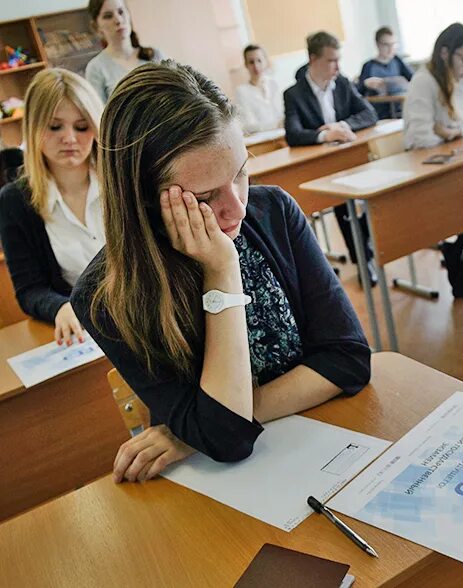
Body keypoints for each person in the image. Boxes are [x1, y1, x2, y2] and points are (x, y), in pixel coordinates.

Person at [71, 60, 371, 482]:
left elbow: (348, 360)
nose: (237, 208)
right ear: (142, 201)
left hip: (326, 445)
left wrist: (195, 429)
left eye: (241, 173)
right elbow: (229, 440)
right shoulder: (105, 295)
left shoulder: (274, 211)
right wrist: (223, 272)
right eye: (205, 196)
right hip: (221, 487)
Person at [0, 69, 104, 344]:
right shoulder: (15, 201)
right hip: (87, 336)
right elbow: (29, 290)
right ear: (33, 128)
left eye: (82, 126)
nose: (69, 138)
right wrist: (59, 306)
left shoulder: (121, 181)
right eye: (55, 126)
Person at [403, 23, 463, 298]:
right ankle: (462, 271)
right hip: (427, 170)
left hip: (457, 161)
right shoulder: (424, 81)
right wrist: (453, 131)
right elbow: (420, 138)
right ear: (445, 53)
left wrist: (451, 131)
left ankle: (460, 260)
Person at [284, 31, 379, 286]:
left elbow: (369, 114)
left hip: (352, 161)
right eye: (331, 61)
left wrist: (342, 125)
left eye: (338, 60)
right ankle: (363, 260)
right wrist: (325, 135)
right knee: (342, 203)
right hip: (321, 171)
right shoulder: (293, 94)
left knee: (377, 198)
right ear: (313, 59)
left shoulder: (343, 83)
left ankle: (366, 253)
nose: (337, 66)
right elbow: (293, 134)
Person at [85, 0, 164, 102]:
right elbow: (99, 114)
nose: (118, 20)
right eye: (108, 16)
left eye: (121, 12)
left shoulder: (155, 55)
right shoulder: (96, 68)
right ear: (96, 26)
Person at [357, 26, 414, 119]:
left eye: (393, 44)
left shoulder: (397, 61)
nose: (391, 49)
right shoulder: (368, 66)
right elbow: (358, 93)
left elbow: (413, 78)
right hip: (380, 114)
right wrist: (365, 84)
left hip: (400, 110)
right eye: (386, 45)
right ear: (377, 44)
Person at [235, 44, 283, 134]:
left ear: (265, 61)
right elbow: (249, 126)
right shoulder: (242, 91)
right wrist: (276, 125)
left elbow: (283, 113)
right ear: (246, 64)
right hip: (262, 140)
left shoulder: (274, 84)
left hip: (282, 134)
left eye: (259, 60)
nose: (256, 66)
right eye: (251, 62)